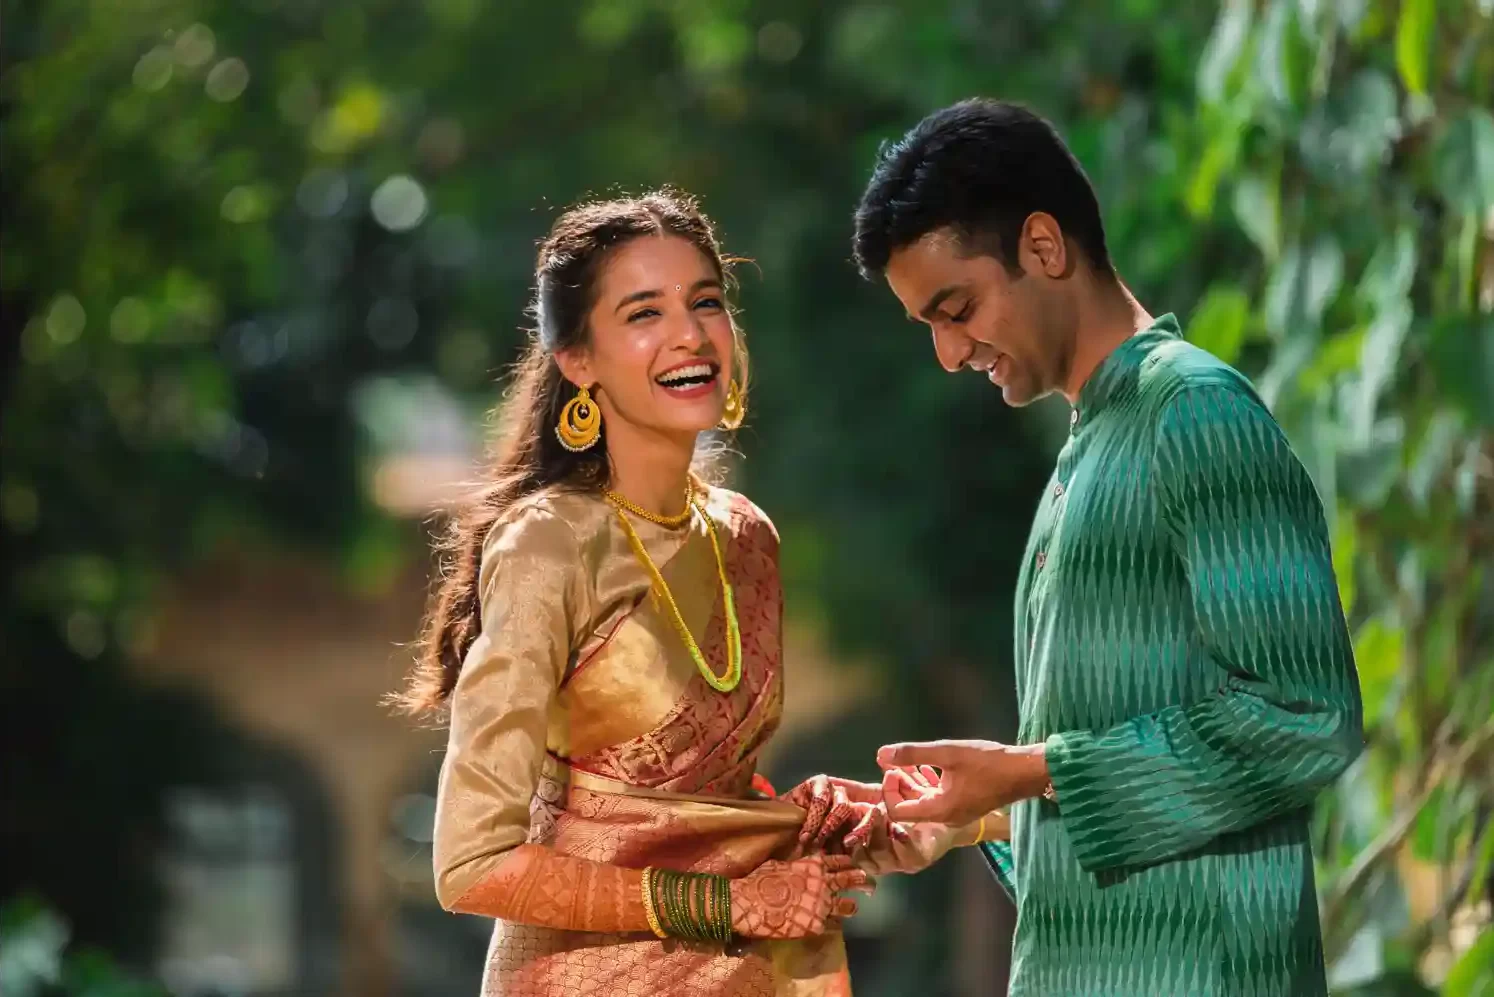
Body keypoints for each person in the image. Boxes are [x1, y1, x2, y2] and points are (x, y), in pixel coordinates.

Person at [850, 99, 1365, 996]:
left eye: (957, 306)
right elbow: (1124, 807)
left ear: (1044, 246)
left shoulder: (1193, 410)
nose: (946, 350)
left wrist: (1033, 767)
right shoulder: (1088, 452)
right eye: (926, 323)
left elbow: (1304, 716)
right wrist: (975, 816)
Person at [393, 190, 878, 996]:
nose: (689, 334)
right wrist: (726, 903)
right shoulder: (551, 543)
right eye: (644, 313)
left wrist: (800, 817)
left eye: (707, 302)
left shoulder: (747, 539)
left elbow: (679, 797)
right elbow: (469, 863)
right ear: (577, 360)